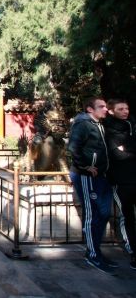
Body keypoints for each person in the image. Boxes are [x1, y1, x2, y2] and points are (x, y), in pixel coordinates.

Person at [68, 96, 117, 275]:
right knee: (91, 214)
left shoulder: (100, 125)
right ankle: (92, 254)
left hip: (101, 176)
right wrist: (85, 166)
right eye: (101, 106)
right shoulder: (83, 124)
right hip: (86, 175)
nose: (106, 109)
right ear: (90, 109)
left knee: (103, 213)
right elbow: (73, 148)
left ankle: (96, 250)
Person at [103, 99, 136, 269]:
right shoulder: (107, 130)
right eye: (121, 109)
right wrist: (128, 151)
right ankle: (133, 252)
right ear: (111, 111)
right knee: (127, 217)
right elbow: (116, 155)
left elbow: (124, 152)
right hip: (120, 181)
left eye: (127, 108)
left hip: (134, 177)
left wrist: (127, 148)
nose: (125, 111)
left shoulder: (132, 125)